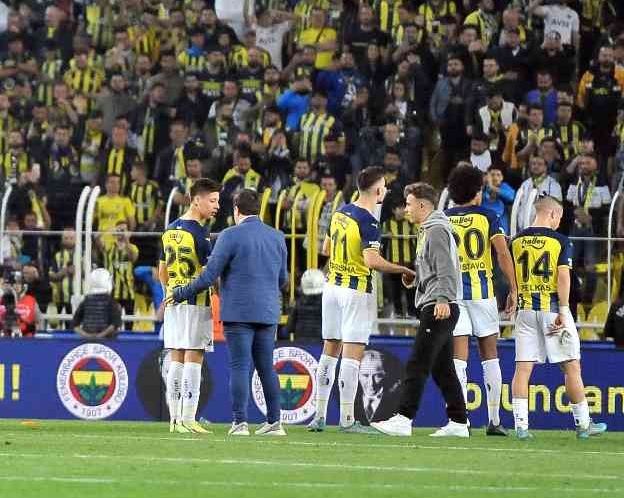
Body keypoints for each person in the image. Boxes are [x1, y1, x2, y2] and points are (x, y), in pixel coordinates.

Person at [162, 188, 287, 437]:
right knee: (266, 368)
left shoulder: (229, 235)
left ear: (236, 210)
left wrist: (179, 293)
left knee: (240, 366)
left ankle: (240, 423)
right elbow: (283, 279)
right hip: (268, 311)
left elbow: (209, 275)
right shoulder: (277, 236)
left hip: (238, 312)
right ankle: (275, 423)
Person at [310, 167, 414, 433]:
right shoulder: (368, 221)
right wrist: (402, 269)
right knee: (352, 355)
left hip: (332, 287)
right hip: (355, 291)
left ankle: (319, 416)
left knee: (329, 351)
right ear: (378, 190)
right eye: (385, 187)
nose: (386, 191)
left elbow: (326, 249)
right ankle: (347, 420)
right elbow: (371, 261)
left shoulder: (340, 213)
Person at [372, 184, 471, 439]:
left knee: (417, 363)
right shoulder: (431, 230)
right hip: (437, 303)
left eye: (409, 203)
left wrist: (442, 299)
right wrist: (417, 280)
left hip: (439, 307)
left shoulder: (436, 230)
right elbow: (436, 269)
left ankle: (404, 418)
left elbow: (447, 269)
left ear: (423, 205)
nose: (406, 209)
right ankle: (459, 421)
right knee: (442, 369)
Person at [507, 196, 608, 440]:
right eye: (559, 218)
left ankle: (521, 427)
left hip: (525, 311)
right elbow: (563, 277)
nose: (558, 222)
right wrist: (564, 311)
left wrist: (513, 294)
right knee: (571, 365)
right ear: (552, 214)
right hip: (553, 311)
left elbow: (510, 272)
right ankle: (583, 425)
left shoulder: (517, 240)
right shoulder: (560, 241)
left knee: (522, 368)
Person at [444, 162, 517, 436]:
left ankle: (460, 422)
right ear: (477, 192)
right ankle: (495, 421)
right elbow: (501, 253)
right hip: (483, 294)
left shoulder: (444, 217)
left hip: (454, 296)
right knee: (490, 356)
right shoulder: (488, 216)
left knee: (458, 359)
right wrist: (513, 288)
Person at [156, 177, 220, 434]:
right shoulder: (200, 235)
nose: (216, 206)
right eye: (212, 201)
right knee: (194, 357)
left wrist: (169, 294)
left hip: (173, 301)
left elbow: (162, 271)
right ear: (196, 199)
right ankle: (189, 419)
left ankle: (175, 420)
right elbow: (207, 275)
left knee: (177, 357)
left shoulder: (170, 229)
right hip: (196, 302)